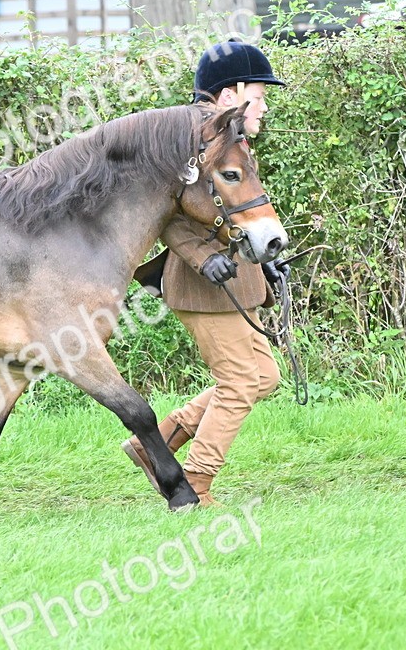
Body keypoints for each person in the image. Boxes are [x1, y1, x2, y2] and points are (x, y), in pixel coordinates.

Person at [123, 41, 289, 507]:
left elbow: (241, 208)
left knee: (263, 376)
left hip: (238, 280)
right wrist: (199, 255)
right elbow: (168, 213)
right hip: (203, 286)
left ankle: (152, 444)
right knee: (239, 382)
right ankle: (194, 480)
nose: (265, 106)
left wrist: (265, 252)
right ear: (230, 93)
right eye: (259, 94)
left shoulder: (226, 138)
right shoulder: (186, 139)